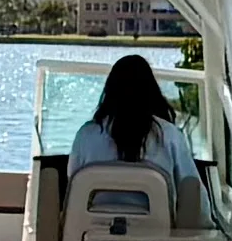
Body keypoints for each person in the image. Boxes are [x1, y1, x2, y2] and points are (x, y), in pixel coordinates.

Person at [67, 54, 200, 204]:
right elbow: (192, 191)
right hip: (157, 226)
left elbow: (73, 185)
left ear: (110, 90)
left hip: (93, 226)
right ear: (150, 91)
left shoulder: (86, 136)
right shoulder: (170, 136)